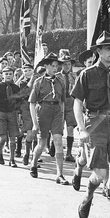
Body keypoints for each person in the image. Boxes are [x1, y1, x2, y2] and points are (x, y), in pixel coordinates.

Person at [73, 31, 110, 218]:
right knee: (99, 173)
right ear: (98, 51)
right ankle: (88, 195)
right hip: (95, 123)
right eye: (107, 48)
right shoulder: (86, 74)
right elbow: (77, 104)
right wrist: (81, 129)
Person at [29, 52, 69, 184]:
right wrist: (35, 123)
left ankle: (60, 174)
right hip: (43, 111)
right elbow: (32, 103)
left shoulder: (61, 81)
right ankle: (34, 163)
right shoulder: (38, 82)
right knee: (42, 143)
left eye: (57, 66)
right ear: (46, 66)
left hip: (57, 111)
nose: (55, 68)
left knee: (58, 141)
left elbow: (62, 101)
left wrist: (62, 117)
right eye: (52, 65)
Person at [71, 49, 99, 191]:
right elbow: (78, 103)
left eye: (94, 61)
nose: (92, 64)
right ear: (85, 64)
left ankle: (106, 185)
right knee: (84, 157)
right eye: (89, 62)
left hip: (102, 120)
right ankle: (78, 170)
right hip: (86, 119)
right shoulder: (82, 77)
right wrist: (81, 126)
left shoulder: (102, 76)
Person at [0, 66, 21, 167]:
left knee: (13, 139)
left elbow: (19, 102)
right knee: (3, 137)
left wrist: (19, 114)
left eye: (10, 74)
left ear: (13, 75)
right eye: (6, 74)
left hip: (12, 113)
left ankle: (12, 159)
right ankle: (0, 153)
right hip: (1, 113)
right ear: (2, 75)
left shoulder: (16, 88)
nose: (8, 76)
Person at [58, 50, 77, 163]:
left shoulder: (74, 76)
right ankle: (53, 145)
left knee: (70, 128)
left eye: (69, 64)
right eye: (64, 64)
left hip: (70, 103)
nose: (67, 66)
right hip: (60, 103)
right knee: (59, 128)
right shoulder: (57, 76)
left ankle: (69, 153)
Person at [13, 63, 35, 165]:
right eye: (25, 71)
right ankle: (26, 154)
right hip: (25, 107)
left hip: (37, 107)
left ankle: (33, 155)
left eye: (29, 70)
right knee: (29, 132)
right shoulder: (22, 82)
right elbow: (24, 92)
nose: (27, 73)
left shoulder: (39, 81)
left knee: (35, 133)